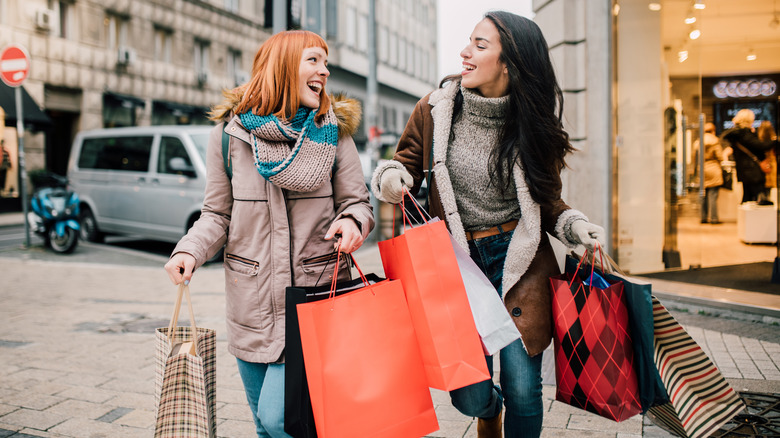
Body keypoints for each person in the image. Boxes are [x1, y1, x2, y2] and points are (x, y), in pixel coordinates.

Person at [371, 11, 604, 438]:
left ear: (509, 62)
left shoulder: (532, 124)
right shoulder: (435, 110)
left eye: (480, 45)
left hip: (520, 261)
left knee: (523, 388)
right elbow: (401, 165)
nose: (465, 52)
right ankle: (487, 410)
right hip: (455, 262)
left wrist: (574, 226)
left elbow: (548, 201)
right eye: (469, 42)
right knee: (467, 390)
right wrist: (390, 179)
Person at [163, 30, 374, 438]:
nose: (324, 71)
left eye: (324, 62)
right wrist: (188, 250)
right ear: (283, 66)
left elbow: (357, 203)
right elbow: (216, 213)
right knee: (264, 423)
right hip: (251, 303)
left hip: (315, 298)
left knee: (281, 421)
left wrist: (351, 222)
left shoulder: (335, 133)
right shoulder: (229, 135)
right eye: (314, 60)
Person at [722, 109, 780, 204]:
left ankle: (747, 218)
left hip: (746, 170)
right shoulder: (743, 133)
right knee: (758, 198)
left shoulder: (738, 134)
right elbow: (760, 146)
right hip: (752, 170)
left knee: (748, 197)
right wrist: (774, 141)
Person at [693, 122, 724, 223]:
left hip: (701, 169)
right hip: (713, 168)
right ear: (713, 130)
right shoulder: (715, 141)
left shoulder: (697, 142)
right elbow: (720, 157)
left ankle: (703, 217)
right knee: (713, 195)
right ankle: (714, 218)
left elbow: (694, 158)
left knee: (702, 195)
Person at [758, 120, 778, 198]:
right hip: (771, 163)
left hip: (762, 163)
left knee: (763, 187)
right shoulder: (774, 141)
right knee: (771, 187)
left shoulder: (758, 141)